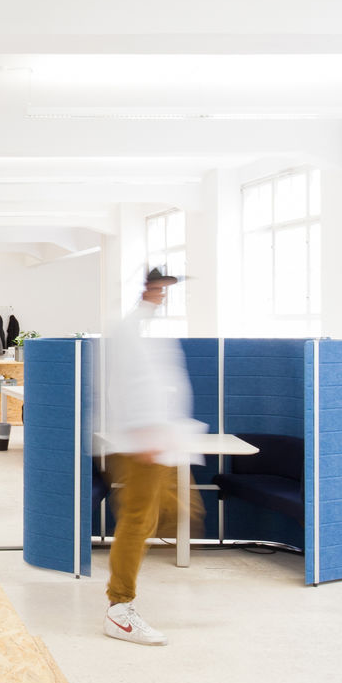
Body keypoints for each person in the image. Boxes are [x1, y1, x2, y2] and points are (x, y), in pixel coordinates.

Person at [100, 267, 206, 646]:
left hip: (160, 438)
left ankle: (121, 601)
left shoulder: (148, 328)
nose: (164, 295)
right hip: (141, 441)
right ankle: (119, 609)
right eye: (160, 289)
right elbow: (129, 384)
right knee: (137, 521)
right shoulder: (128, 330)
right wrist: (143, 429)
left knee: (177, 512)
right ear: (147, 288)